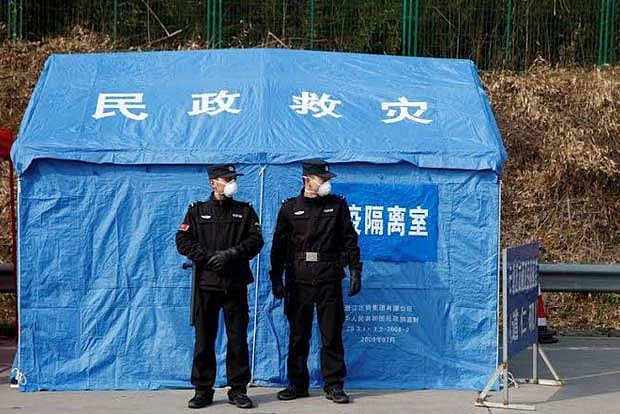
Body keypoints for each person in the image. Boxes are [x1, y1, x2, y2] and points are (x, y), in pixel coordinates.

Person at [269, 159, 362, 404]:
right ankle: (297, 384)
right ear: (307, 180)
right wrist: (276, 277)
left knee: (331, 334)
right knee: (298, 335)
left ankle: (334, 385)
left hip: (329, 278)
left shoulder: (337, 205)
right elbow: (279, 246)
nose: (327, 184)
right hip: (298, 280)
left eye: (328, 179)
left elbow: (349, 240)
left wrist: (355, 270)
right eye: (323, 179)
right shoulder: (290, 208)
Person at [176, 164, 264, 409]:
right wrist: (207, 257)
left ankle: (238, 389)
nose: (231, 183)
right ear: (212, 182)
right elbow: (182, 240)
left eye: (233, 178)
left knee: (237, 339)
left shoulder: (244, 211)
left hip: (235, 284)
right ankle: (203, 390)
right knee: (204, 339)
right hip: (206, 285)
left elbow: (256, 240)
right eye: (226, 179)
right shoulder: (197, 211)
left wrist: (231, 254)